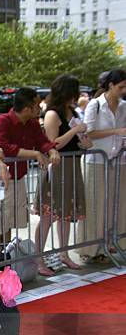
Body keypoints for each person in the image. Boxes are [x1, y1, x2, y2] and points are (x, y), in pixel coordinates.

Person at [34, 75, 92, 275]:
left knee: (66, 215)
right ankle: (38, 258)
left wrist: (84, 141)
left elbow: (82, 141)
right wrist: (75, 129)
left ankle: (64, 253)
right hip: (56, 168)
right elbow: (52, 144)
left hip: (72, 167)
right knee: (48, 216)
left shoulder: (73, 111)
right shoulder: (52, 114)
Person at [0, 87, 60, 246]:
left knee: (10, 221)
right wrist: (34, 154)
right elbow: (3, 147)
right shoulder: (2, 121)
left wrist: (51, 150)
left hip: (19, 177)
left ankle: (5, 260)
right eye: (37, 105)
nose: (40, 107)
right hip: (1, 178)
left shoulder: (32, 124)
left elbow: (41, 141)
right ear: (27, 108)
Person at [77, 68, 126, 262]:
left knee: (117, 205)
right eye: (121, 87)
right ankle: (90, 250)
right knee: (95, 206)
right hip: (96, 161)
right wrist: (116, 131)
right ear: (111, 85)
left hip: (119, 161)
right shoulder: (95, 105)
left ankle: (114, 242)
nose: (123, 90)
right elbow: (88, 132)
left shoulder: (123, 106)